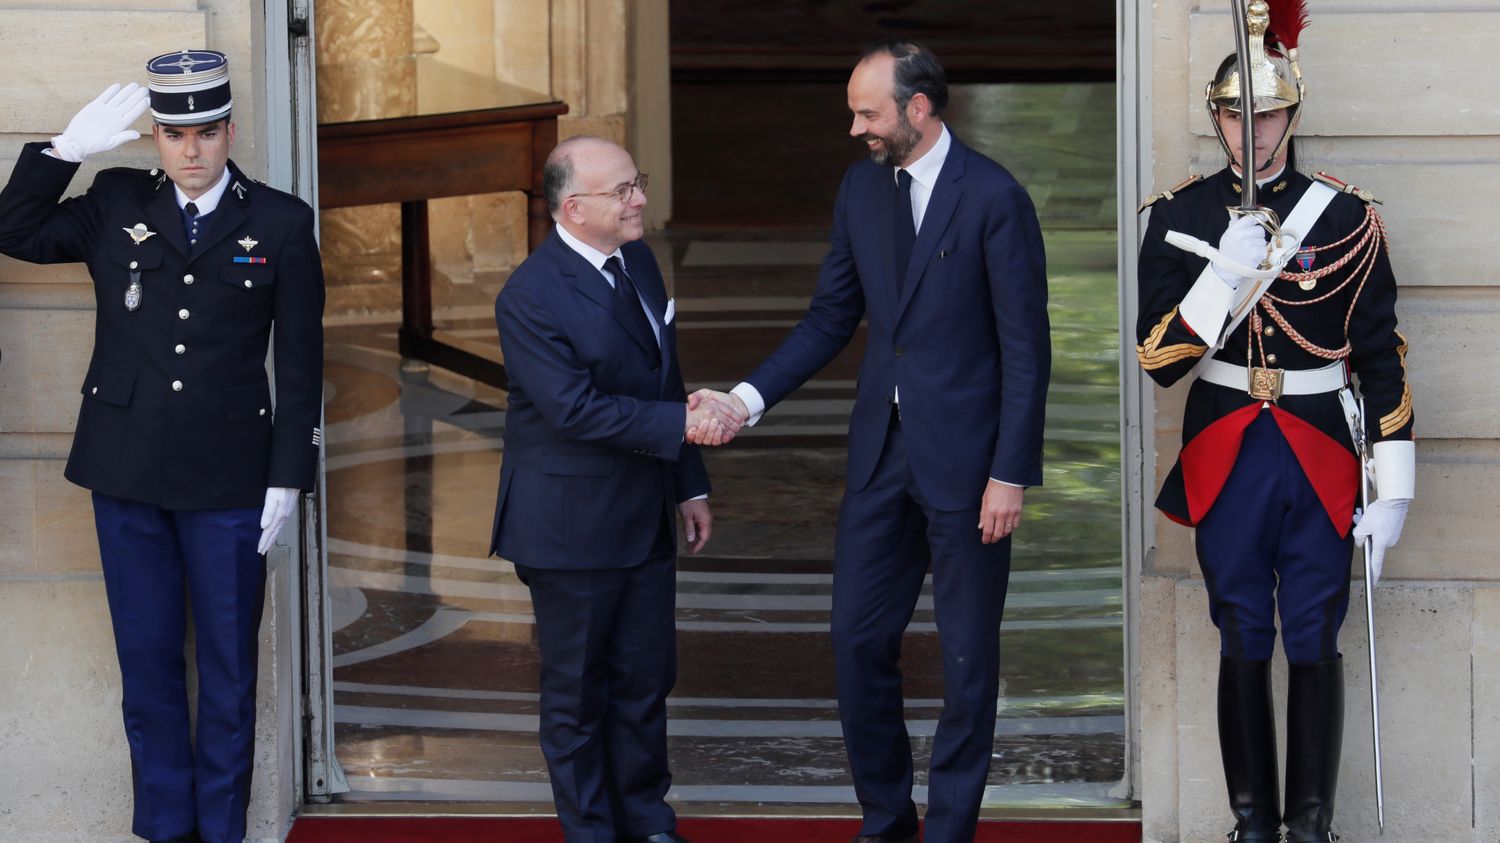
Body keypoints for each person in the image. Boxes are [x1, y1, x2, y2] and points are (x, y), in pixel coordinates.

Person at [691, 40, 1051, 843]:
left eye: (868, 112)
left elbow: (1028, 347)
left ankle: (949, 829)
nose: (855, 128)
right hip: (879, 457)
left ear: (917, 109)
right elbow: (830, 317)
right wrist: (744, 400)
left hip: (968, 467)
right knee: (856, 641)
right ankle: (887, 820)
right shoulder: (861, 189)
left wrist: (1010, 473)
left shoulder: (994, 197)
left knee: (966, 664)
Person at [0, 51, 324, 843]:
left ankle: (221, 829)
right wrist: (61, 153)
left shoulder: (280, 221)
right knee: (146, 667)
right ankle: (167, 828)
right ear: (154, 136)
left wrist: (288, 476)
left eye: (206, 132)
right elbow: (14, 230)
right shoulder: (115, 199)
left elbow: (303, 360)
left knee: (227, 671)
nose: (190, 149)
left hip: (230, 480)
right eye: (174, 133)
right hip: (128, 470)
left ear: (229, 132)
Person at [1134, 3, 1413, 841]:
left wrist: (1392, 480)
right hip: (1226, 440)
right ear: (1214, 117)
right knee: (1243, 626)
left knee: (1316, 628)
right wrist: (1221, 282)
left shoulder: (1345, 217)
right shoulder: (1178, 216)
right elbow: (1159, 360)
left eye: (1267, 114)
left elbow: (1381, 353)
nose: (1250, 131)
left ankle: (1311, 824)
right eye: (1233, 114)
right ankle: (1253, 820)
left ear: (1293, 112)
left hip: (1323, 442)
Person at [490, 136, 736, 843]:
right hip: (569, 526)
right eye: (623, 190)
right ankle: (593, 830)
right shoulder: (530, 297)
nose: (639, 199)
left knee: (645, 679)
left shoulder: (641, 262)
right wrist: (686, 426)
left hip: (645, 514)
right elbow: (574, 409)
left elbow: (665, 372)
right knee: (577, 694)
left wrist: (688, 483)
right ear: (574, 209)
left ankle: (648, 820)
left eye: (638, 183)